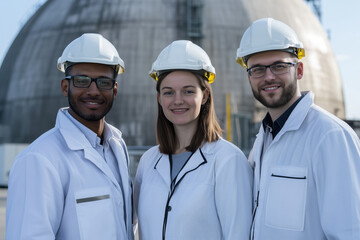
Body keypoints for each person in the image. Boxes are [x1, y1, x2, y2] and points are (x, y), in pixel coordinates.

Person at [236, 18, 360, 239]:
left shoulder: (330, 136)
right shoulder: (263, 138)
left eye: (279, 66)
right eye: (257, 69)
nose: (269, 76)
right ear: (249, 77)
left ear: (299, 70)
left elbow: (350, 231)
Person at [6, 33, 134, 240]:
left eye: (103, 82)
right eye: (82, 81)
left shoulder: (117, 147)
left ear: (115, 90)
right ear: (65, 87)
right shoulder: (40, 159)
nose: (93, 91)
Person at [133, 40, 253, 240]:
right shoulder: (148, 162)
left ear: (205, 96)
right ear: (159, 99)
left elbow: (238, 234)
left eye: (188, 91)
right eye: (168, 92)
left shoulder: (228, 160)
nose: (178, 100)